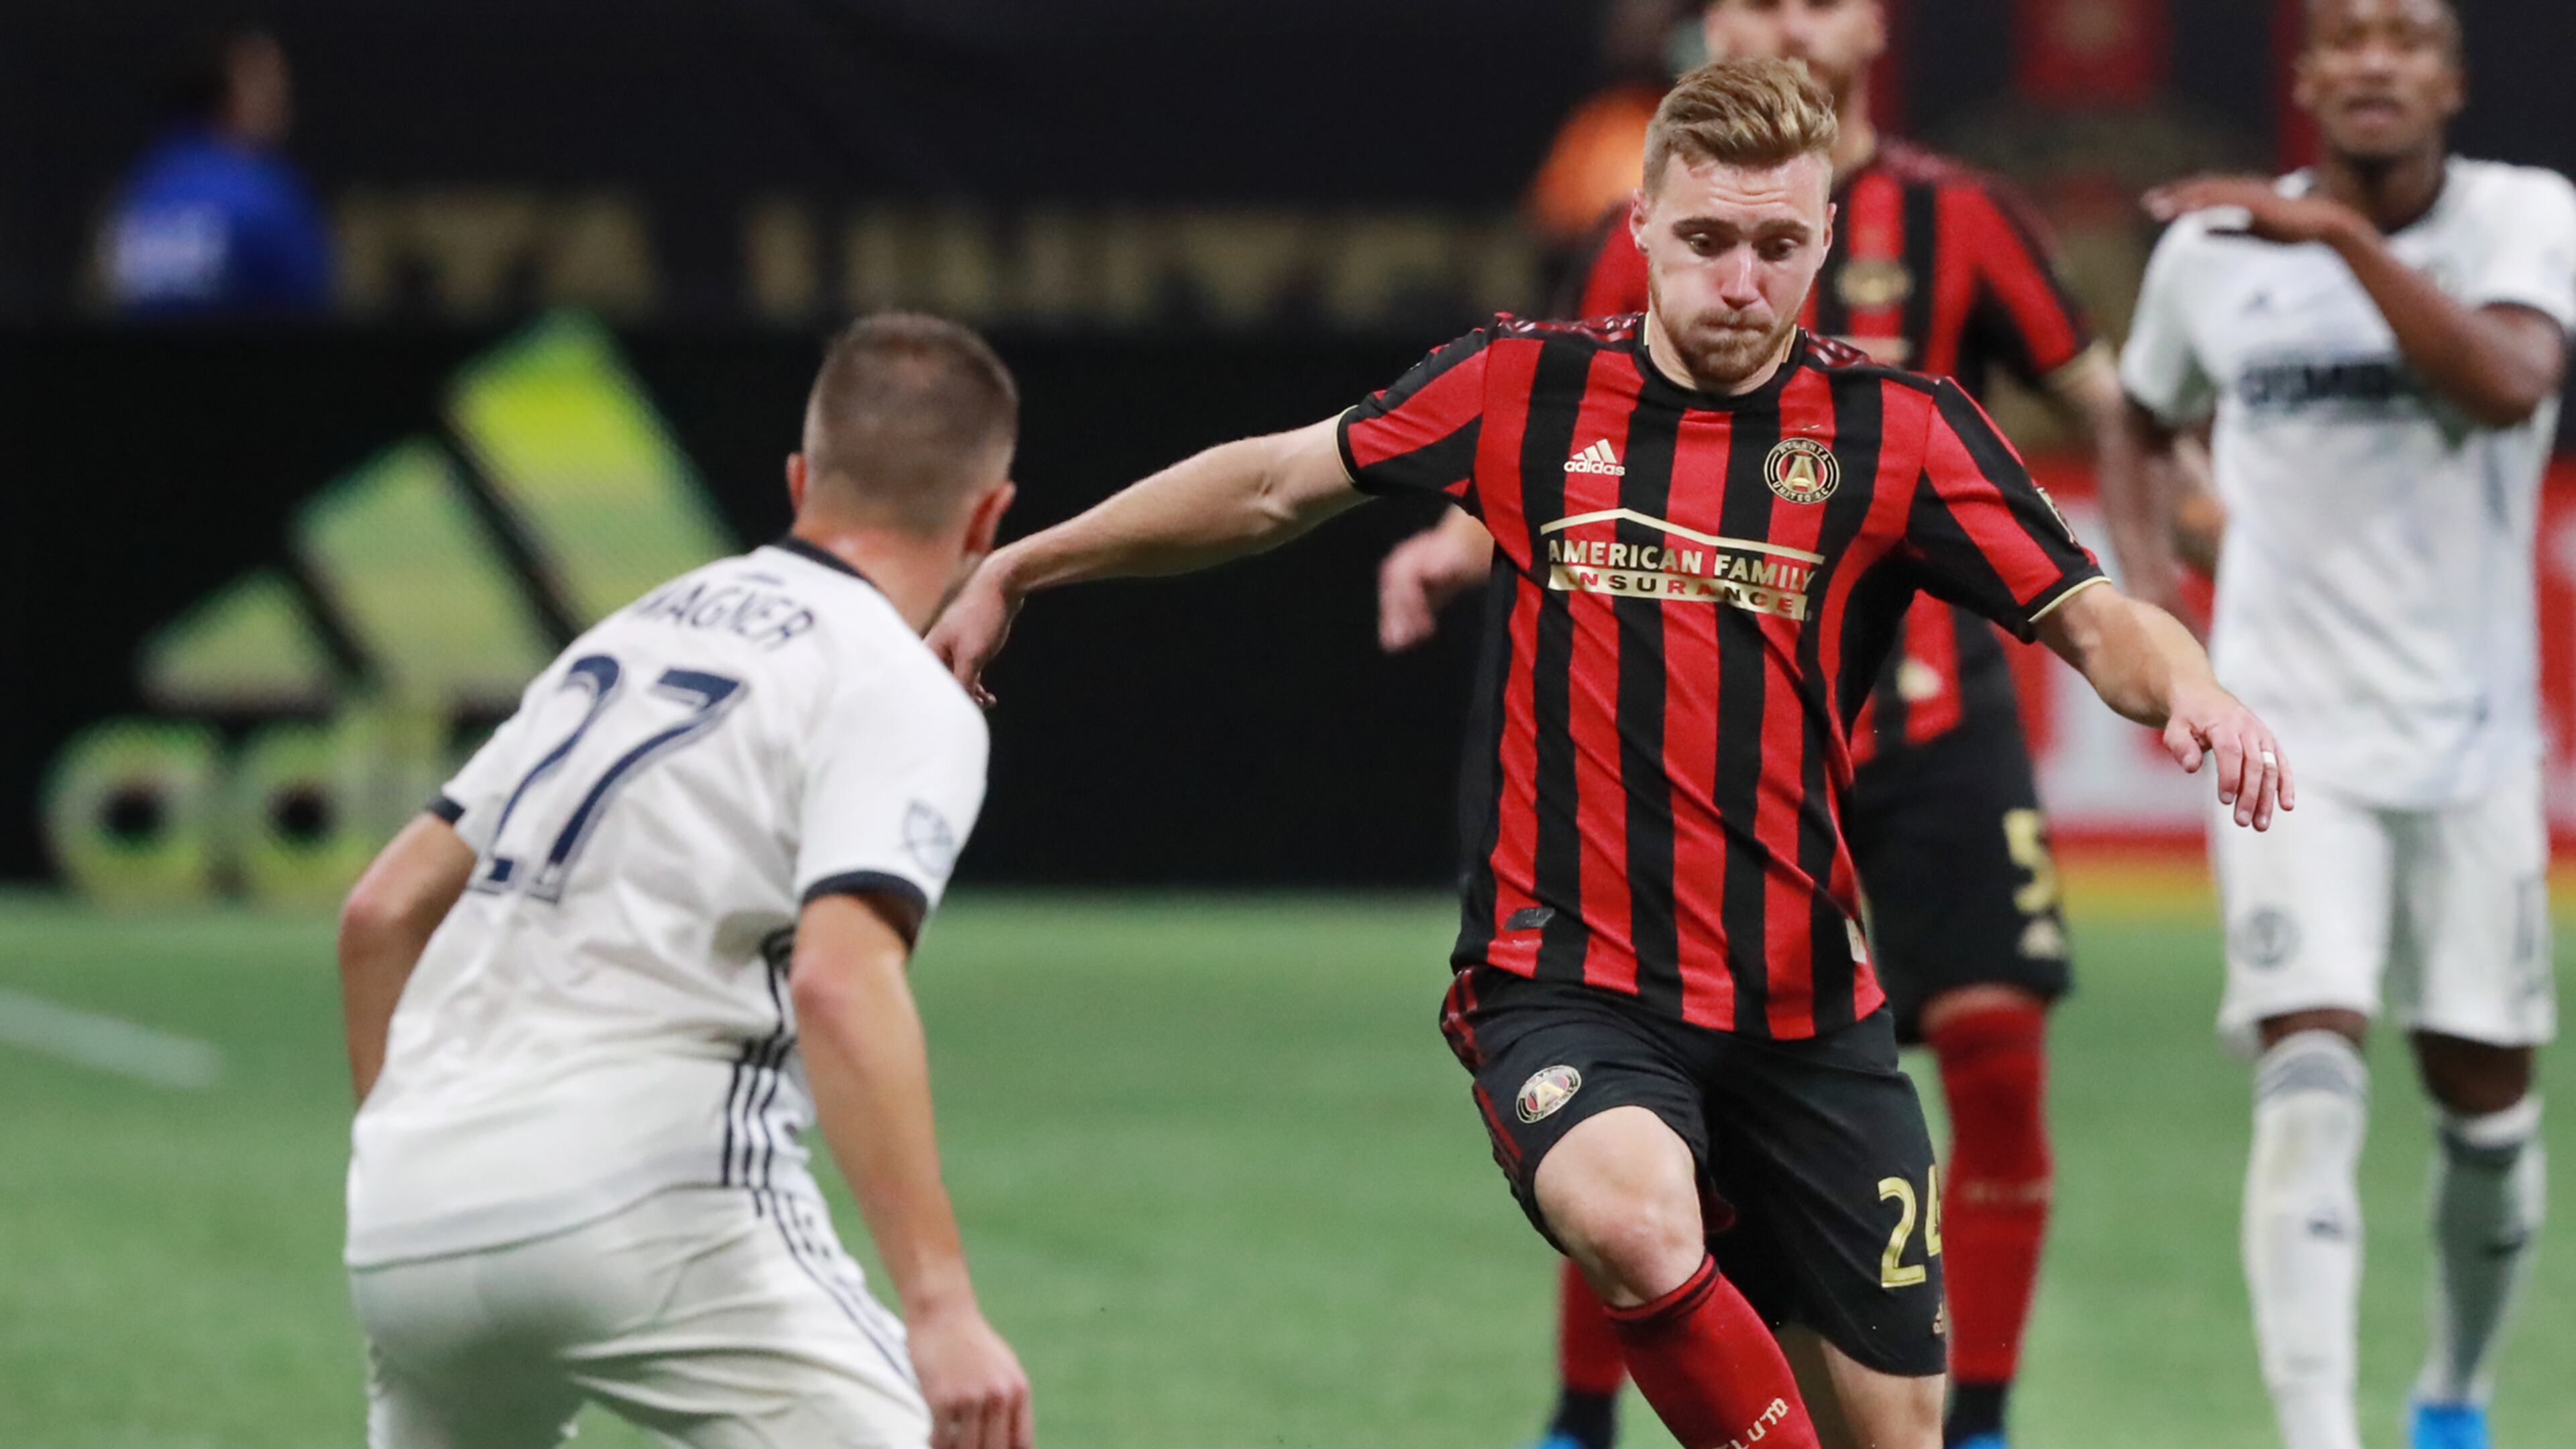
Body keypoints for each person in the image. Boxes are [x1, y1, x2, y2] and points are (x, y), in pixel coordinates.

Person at [931, 58, 2290, 1449]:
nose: (1742, 283)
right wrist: (1027, 566)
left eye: (1777, 247)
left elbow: (2093, 616)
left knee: (1899, 1431)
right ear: (1640, 226)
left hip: (1806, 1015)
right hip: (1568, 984)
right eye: (1706, 240)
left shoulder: (1904, 435)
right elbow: (1277, 482)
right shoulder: (1519, 386)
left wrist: (2194, 690)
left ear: (1824, 242)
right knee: (1635, 1219)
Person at [1378, 5, 2127, 1446]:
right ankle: (1579, 1413)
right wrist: (1455, 546)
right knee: (1640, 1096)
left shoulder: (1965, 223)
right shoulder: (1646, 227)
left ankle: (1979, 1415)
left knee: (1985, 1051)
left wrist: (2165, 567)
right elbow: (1566, 435)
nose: (1790, 16)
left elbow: (2106, 410)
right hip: (1712, 723)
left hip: (1924, 720)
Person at [335, 314, 1034, 1449]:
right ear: (990, 514)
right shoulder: (891, 682)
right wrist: (943, 1311)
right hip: (649, 1202)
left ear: (803, 479)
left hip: (412, 1203)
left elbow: (381, 912)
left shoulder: (624, 638)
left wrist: (417, 1155)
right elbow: (841, 984)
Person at [2104, 3, 2569, 1449]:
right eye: (2346, 37)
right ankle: (2322, 1439)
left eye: (2406, 39)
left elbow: (2504, 387)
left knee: (2485, 1104)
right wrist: (2148, 602)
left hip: (2472, 743)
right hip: (2288, 738)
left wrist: (2343, 246)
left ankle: (2453, 1400)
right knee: (2310, 1072)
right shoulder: (2212, 255)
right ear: (2306, 78)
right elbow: (2132, 412)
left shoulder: (2522, 217)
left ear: (2451, 78)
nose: (2374, 61)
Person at [107, 30, 333, 316]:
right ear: (225, 94)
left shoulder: (143, 188)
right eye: (266, 83)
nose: (282, 98)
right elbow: (315, 309)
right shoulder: (268, 198)